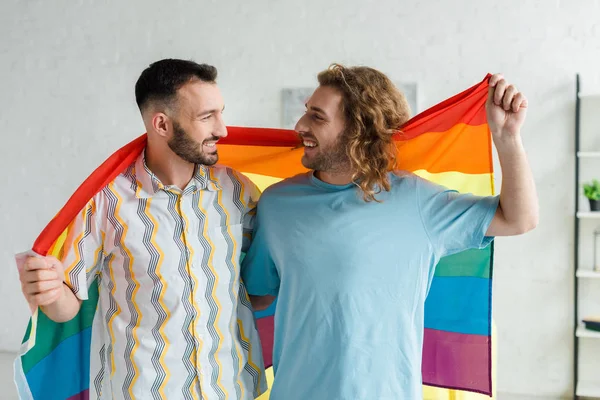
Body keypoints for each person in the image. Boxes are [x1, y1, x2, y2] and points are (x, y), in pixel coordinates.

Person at [242, 64, 538, 400]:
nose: (300, 126)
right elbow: (258, 293)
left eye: (317, 116)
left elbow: (519, 219)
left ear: (359, 129)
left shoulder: (417, 201)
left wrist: (507, 137)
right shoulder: (278, 203)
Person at [17, 59, 266, 399]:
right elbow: (68, 305)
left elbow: (261, 287)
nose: (222, 129)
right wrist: (47, 290)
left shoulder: (239, 191)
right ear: (162, 124)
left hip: (231, 387)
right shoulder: (105, 200)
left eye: (220, 113)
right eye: (207, 117)